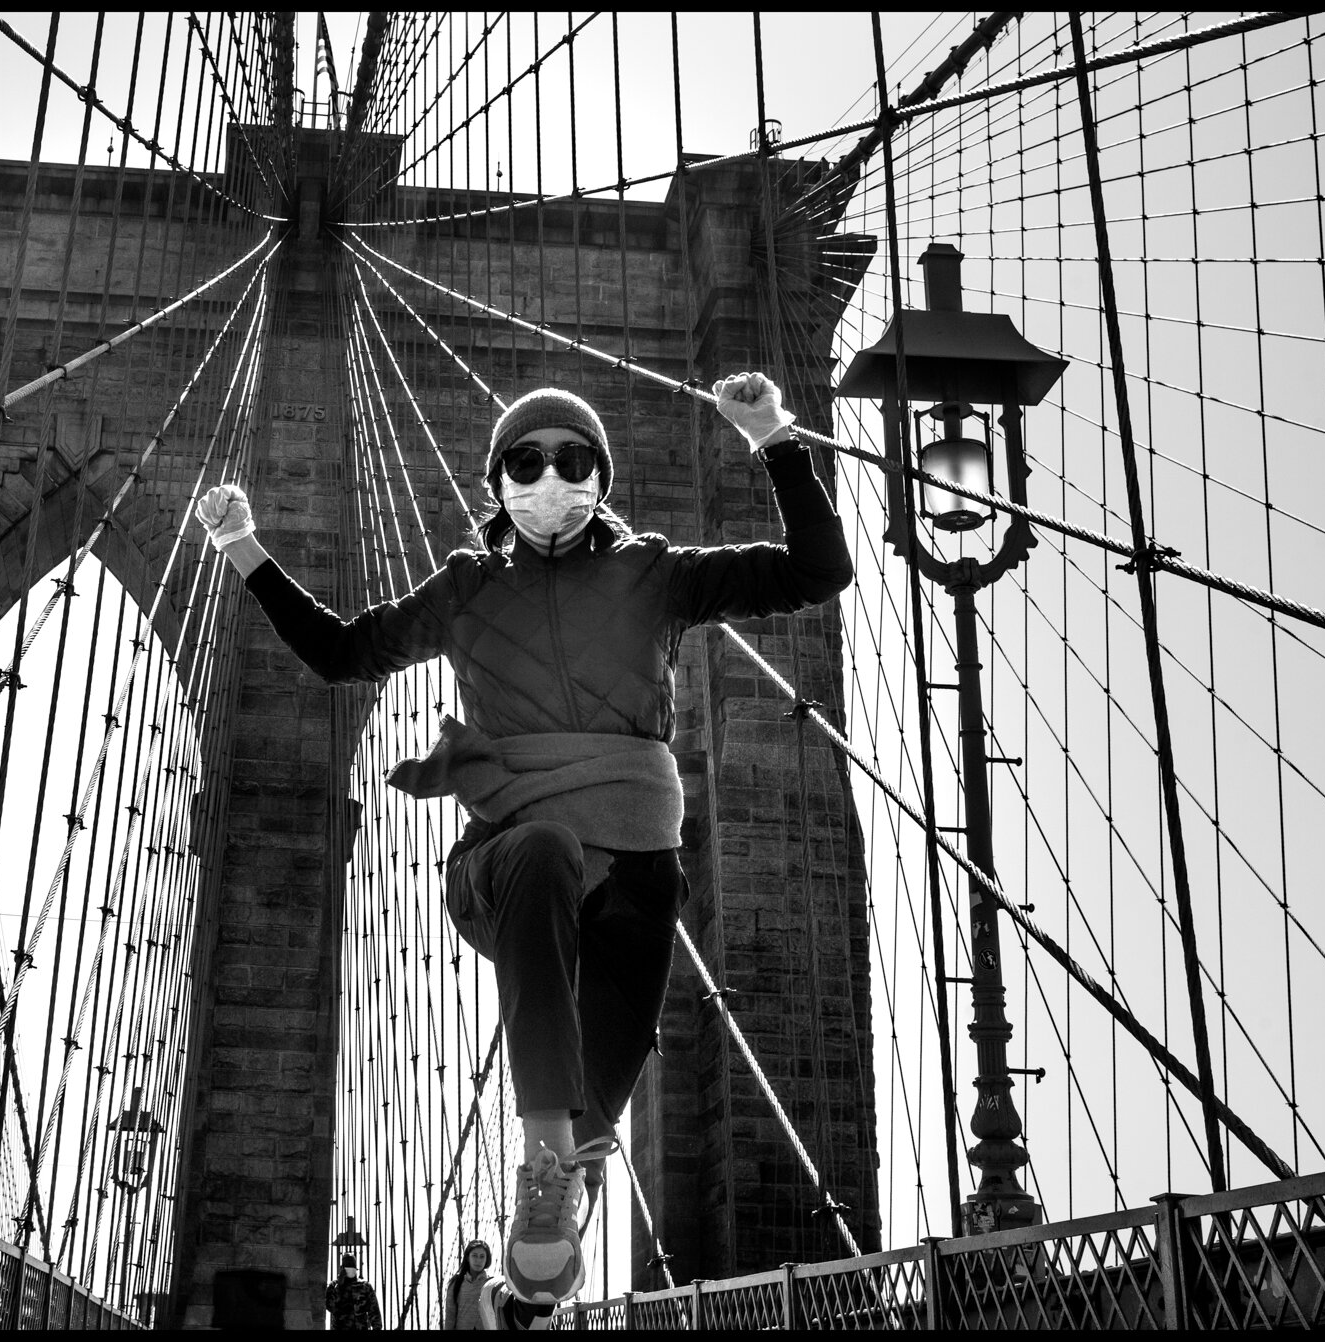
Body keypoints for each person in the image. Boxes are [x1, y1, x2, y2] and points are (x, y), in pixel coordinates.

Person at [196, 374, 852, 1310]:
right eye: (527, 461)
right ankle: (543, 1155)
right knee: (545, 853)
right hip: (506, 867)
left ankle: (527, 1289)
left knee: (593, 1135)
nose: (551, 477)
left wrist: (773, 436)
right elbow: (341, 652)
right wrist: (243, 547)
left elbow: (817, 571)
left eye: (572, 460)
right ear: (498, 480)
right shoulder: (466, 588)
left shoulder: (657, 575)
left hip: (637, 874)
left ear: (601, 478)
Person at [443, 1240, 493, 1330]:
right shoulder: (456, 1283)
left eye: (482, 1257)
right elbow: (450, 1316)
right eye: (474, 1256)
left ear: (487, 1260)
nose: (478, 1260)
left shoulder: (491, 1284)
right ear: (467, 1257)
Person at [324, 1253, 382, 1330]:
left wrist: (377, 1327)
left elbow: (374, 1312)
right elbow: (329, 1306)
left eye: (351, 1266)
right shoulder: (334, 1286)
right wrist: (340, 1286)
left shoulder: (365, 1286)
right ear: (342, 1269)